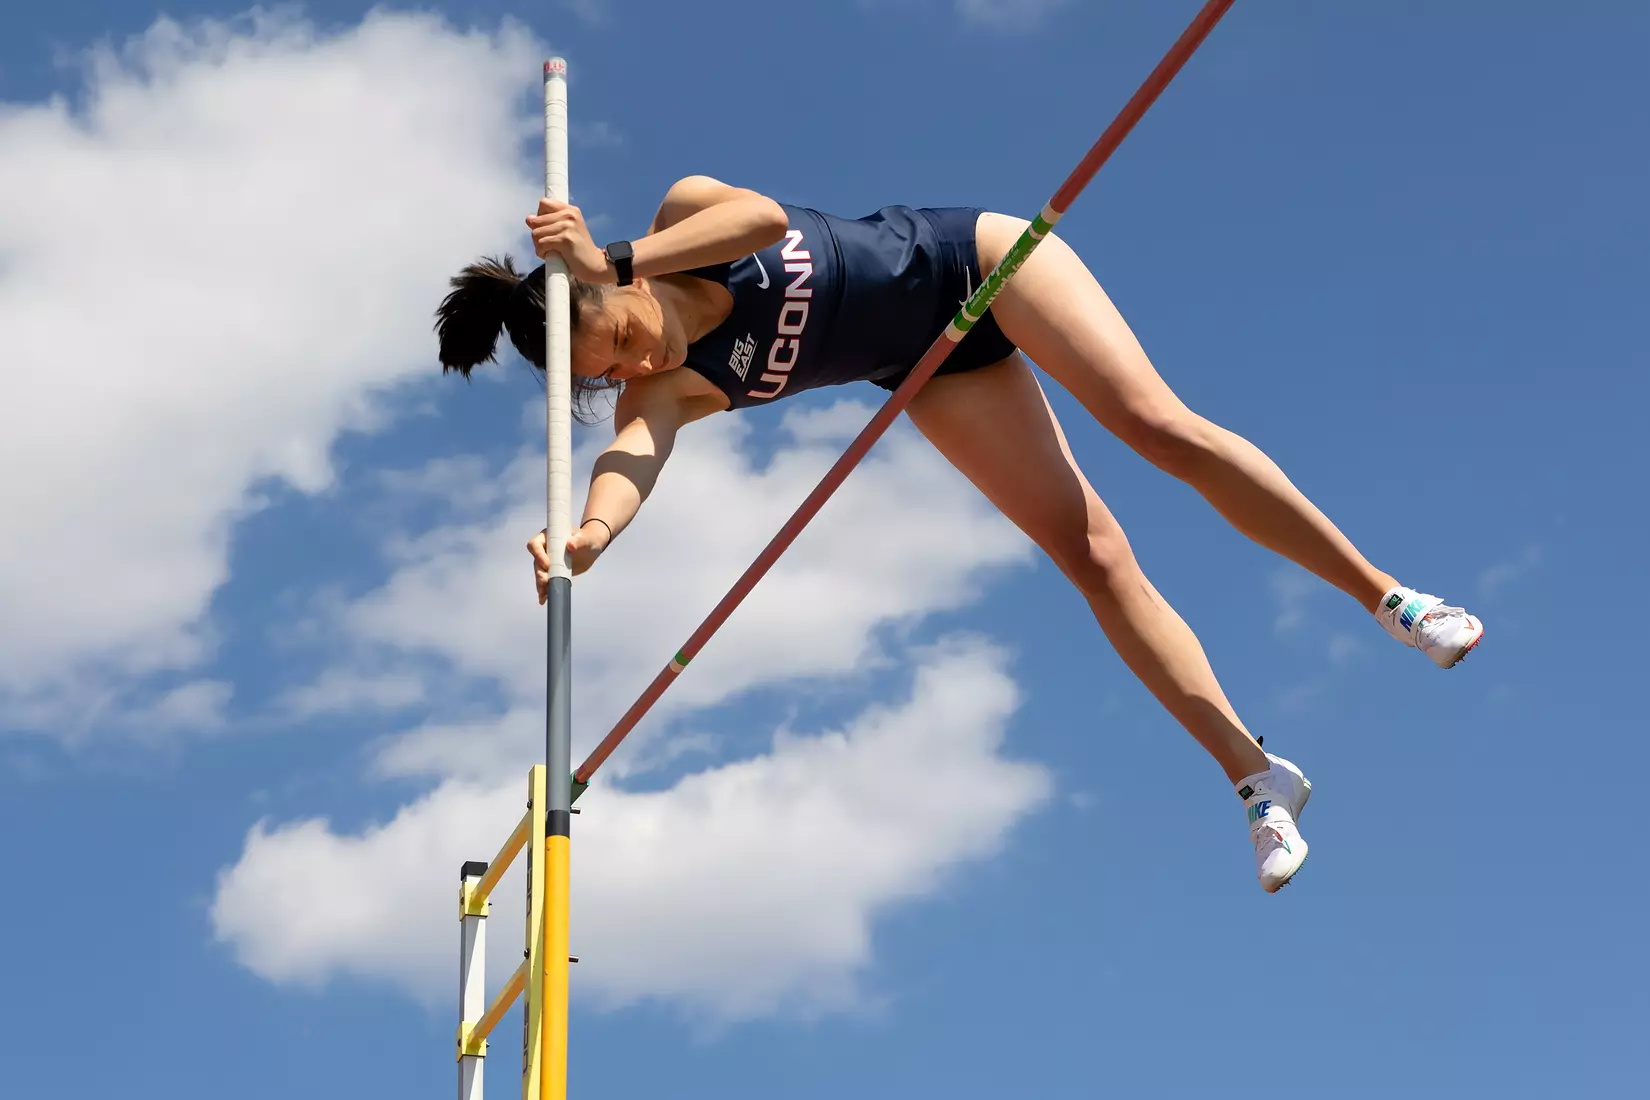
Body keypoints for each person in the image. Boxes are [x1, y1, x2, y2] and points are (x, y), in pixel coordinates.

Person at [433, 174, 1484, 893]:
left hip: (974, 260)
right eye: (609, 377)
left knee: (1156, 425)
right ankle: (1257, 776)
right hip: (934, 366)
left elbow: (756, 219)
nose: (630, 369)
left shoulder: (679, 222)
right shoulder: (672, 395)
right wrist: (585, 539)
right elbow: (632, 467)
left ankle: (1390, 596)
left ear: (612, 290)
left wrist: (613, 253)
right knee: (1091, 554)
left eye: (612, 343)